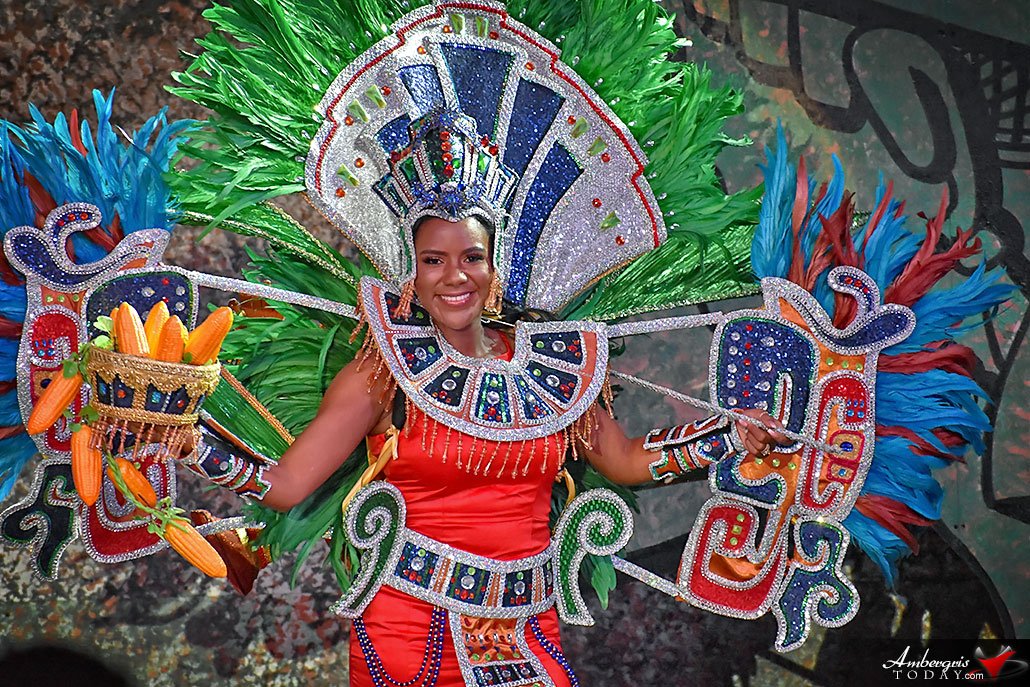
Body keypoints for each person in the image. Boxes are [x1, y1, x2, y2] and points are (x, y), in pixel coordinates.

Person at [190, 213, 786, 686]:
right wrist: (187, 443)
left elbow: (627, 461)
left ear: (494, 268)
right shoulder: (381, 372)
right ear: (412, 277)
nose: (455, 276)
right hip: (411, 628)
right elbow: (288, 484)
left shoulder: (554, 368)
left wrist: (729, 435)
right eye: (434, 261)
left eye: (472, 257)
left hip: (526, 620)